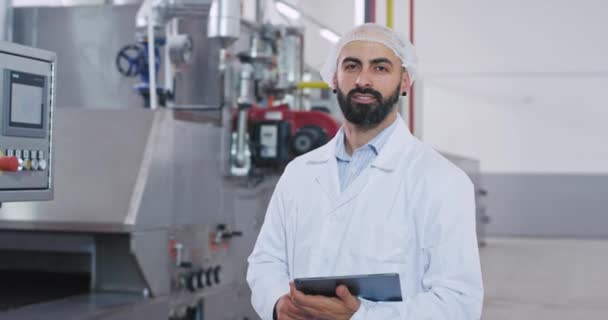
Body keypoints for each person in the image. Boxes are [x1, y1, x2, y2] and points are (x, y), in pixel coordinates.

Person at [247, 23, 483, 320]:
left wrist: (360, 315)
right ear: (334, 77)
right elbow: (266, 260)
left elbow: (458, 303)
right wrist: (278, 304)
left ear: (405, 82)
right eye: (351, 66)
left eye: (380, 68)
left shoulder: (441, 181)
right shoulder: (299, 173)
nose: (363, 80)